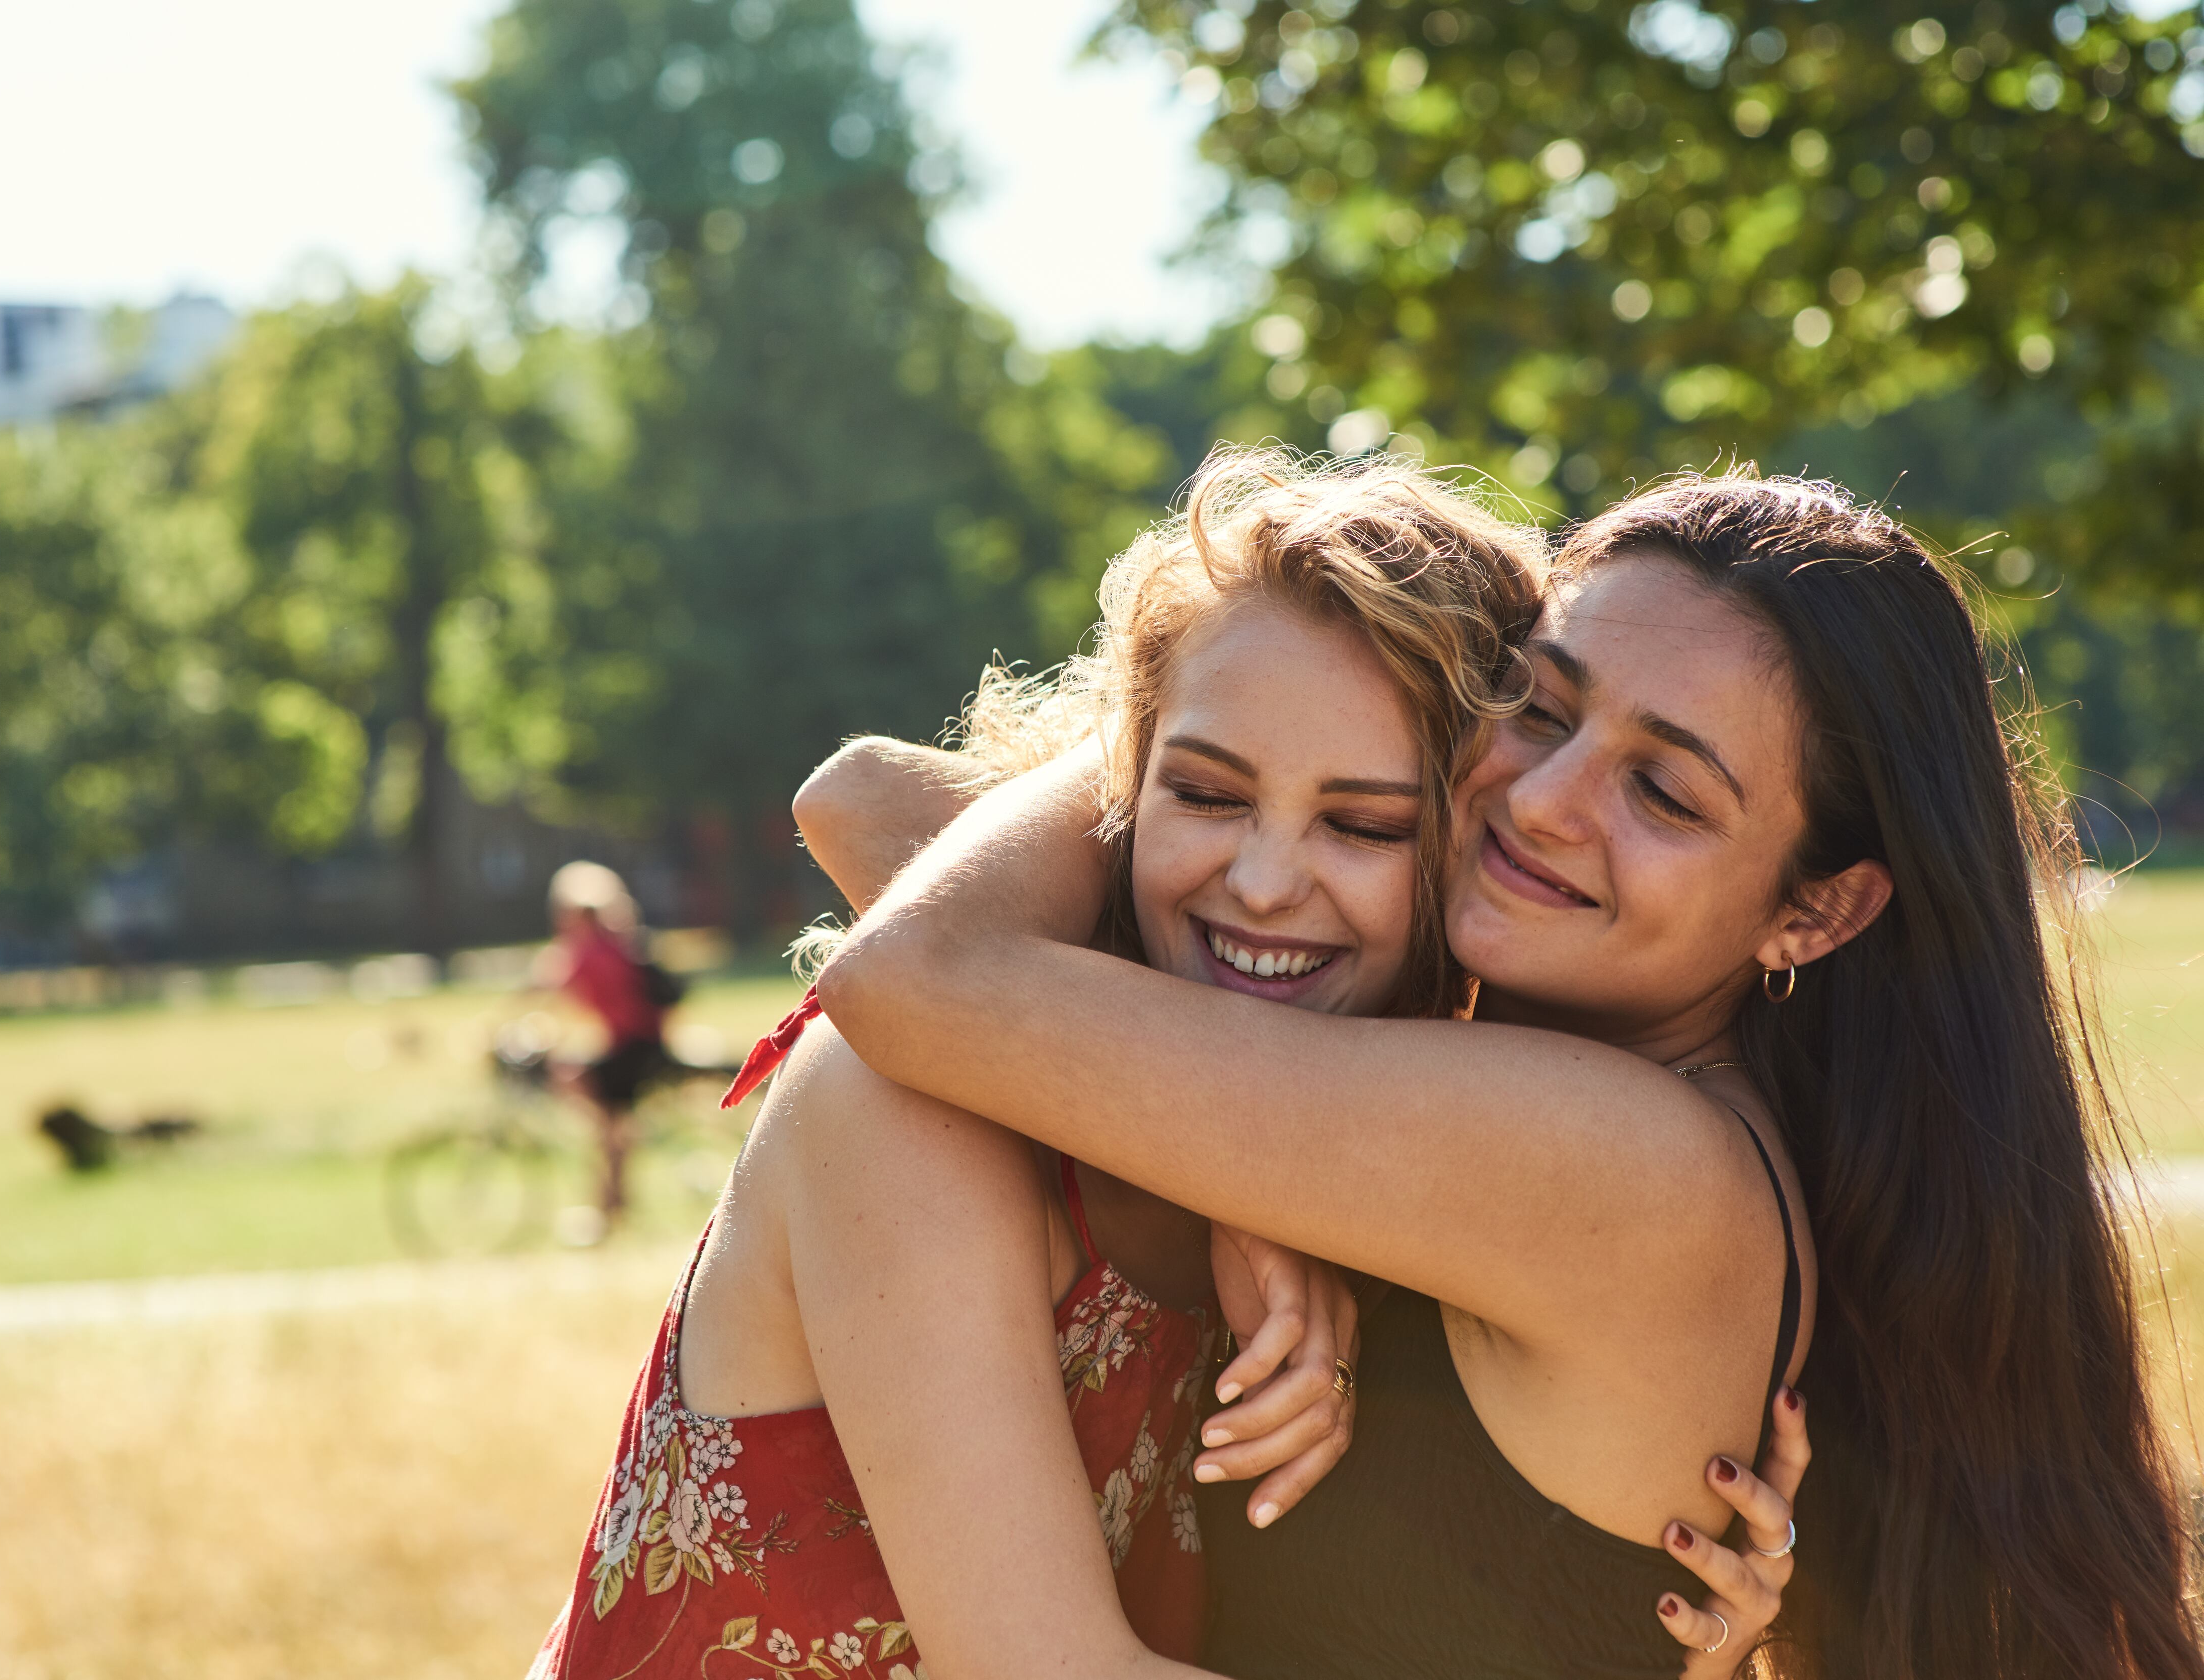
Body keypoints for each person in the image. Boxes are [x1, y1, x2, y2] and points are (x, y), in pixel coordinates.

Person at [812, 470, 2201, 1678]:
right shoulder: (1524, 1088)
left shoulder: (1619, 1163)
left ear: (1815, 912)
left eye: (1663, 792)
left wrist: (1206, 659)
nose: (1544, 799)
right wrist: (1246, 1176)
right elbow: (868, 800)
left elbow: (918, 975)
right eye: (1542, 707)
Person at [531, 454, 1801, 1680]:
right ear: (1128, 791)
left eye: (1363, 822)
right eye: (1202, 790)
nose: (1260, 882)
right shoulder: (906, 1099)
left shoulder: (1352, 1152)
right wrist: (1186, 672)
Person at [533, 861, 674, 1225]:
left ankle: (610, 1196)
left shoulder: (589, 951)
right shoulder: (620, 942)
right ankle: (614, 1197)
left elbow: (550, 988)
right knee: (610, 1128)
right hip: (642, 1045)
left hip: (630, 1050)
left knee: (585, 1098)